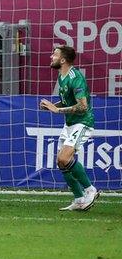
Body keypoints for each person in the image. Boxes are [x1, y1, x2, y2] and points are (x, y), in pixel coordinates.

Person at [40, 45, 99, 211]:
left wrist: (57, 110)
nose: (51, 56)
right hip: (70, 123)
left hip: (83, 122)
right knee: (61, 162)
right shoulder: (62, 75)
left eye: (55, 54)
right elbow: (68, 103)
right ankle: (79, 199)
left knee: (65, 158)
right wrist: (52, 106)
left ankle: (90, 190)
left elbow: (83, 106)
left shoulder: (76, 77)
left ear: (63, 60)